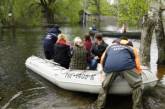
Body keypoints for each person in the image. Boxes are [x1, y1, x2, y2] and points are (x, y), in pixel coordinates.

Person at [94, 37, 143, 109]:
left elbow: (102, 60)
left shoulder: (110, 47)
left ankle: (99, 106)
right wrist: (139, 73)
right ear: (128, 43)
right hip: (126, 66)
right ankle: (137, 107)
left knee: (104, 87)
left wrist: (104, 71)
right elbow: (137, 63)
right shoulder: (132, 48)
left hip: (110, 66)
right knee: (137, 85)